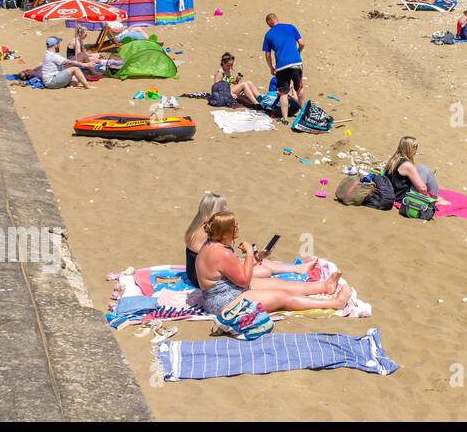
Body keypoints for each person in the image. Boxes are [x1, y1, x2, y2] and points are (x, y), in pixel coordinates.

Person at [195, 212, 350, 317]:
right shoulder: (222, 252)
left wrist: (256, 258)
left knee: (277, 283)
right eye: (234, 227)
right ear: (225, 232)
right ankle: (335, 303)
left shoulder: (212, 245)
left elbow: (235, 271)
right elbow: (244, 280)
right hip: (223, 303)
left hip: (227, 291)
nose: (238, 228)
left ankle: (324, 286)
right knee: (282, 296)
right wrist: (249, 253)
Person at [184, 194, 317, 287]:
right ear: (216, 210)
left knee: (259, 261)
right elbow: (221, 260)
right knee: (264, 271)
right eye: (225, 207)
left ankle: (297, 268)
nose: (228, 209)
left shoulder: (198, 226)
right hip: (205, 279)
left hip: (202, 272)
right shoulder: (205, 233)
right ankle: (297, 269)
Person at [375, 136, 448, 208]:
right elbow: (423, 189)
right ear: (409, 148)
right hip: (403, 198)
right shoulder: (408, 165)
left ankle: (435, 196)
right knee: (424, 169)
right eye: (415, 146)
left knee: (420, 169)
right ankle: (434, 198)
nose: (417, 148)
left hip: (394, 192)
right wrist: (425, 194)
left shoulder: (393, 160)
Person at [262, 13, 305, 110]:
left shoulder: (268, 34)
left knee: (283, 92)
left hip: (281, 66)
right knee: (299, 87)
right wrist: (297, 53)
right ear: (277, 19)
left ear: (269, 22)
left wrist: (271, 68)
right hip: (296, 62)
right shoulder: (291, 27)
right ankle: (303, 112)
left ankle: (284, 118)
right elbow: (302, 44)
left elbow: (267, 55)